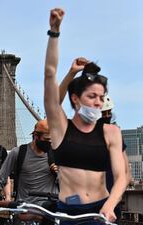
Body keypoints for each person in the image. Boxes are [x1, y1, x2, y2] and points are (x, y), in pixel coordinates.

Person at [44, 8, 127, 224]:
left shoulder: (111, 132)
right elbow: (50, 75)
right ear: (75, 99)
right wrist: (54, 32)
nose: (98, 102)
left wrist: (109, 206)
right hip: (66, 213)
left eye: (102, 97)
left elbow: (121, 177)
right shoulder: (62, 129)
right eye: (92, 96)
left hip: (98, 212)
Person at [58, 59, 132, 222]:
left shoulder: (113, 135)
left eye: (108, 113)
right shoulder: (71, 132)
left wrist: (112, 202)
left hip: (107, 205)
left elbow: (125, 175)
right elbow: (54, 103)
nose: (105, 116)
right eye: (103, 113)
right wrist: (71, 74)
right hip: (73, 206)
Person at [0, 120, 58, 223]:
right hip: (24, 210)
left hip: (48, 211)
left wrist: (60, 173)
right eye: (47, 139)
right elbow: (0, 179)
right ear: (36, 136)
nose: (50, 143)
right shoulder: (18, 153)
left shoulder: (57, 154)